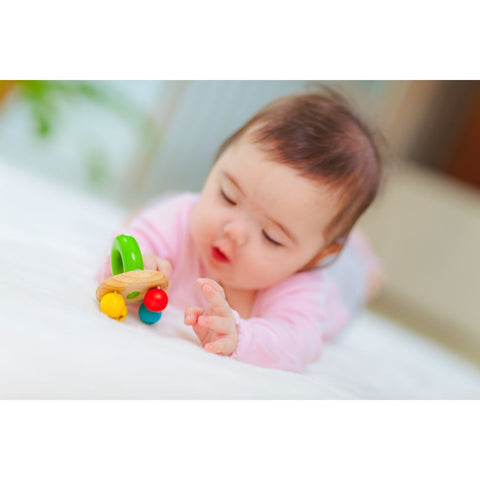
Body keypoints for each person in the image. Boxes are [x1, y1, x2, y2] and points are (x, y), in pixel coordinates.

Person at [97, 89, 385, 372]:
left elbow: (299, 342)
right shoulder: (183, 218)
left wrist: (242, 337)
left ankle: (365, 264)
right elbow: (130, 248)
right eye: (228, 196)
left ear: (312, 257)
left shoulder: (301, 279)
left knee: (352, 278)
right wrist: (136, 270)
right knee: (164, 211)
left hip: (337, 285)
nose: (235, 231)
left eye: (271, 236)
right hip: (187, 208)